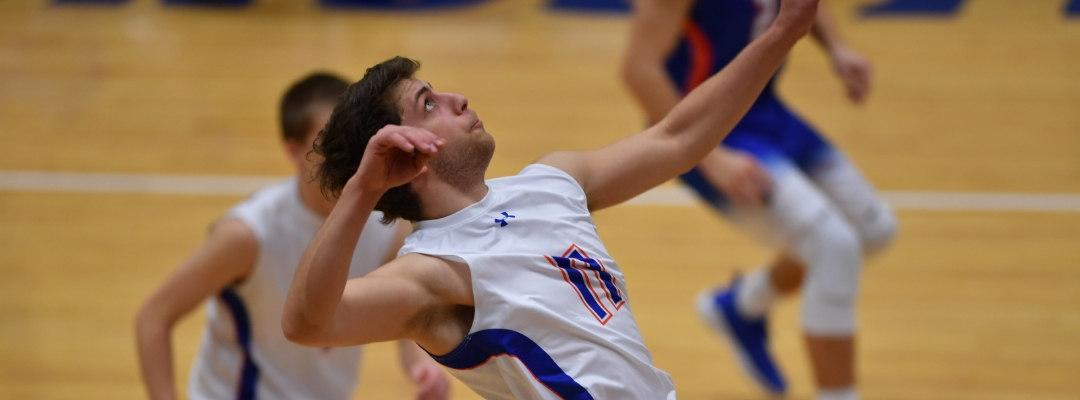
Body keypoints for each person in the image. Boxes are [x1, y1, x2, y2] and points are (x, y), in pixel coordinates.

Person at [280, 0, 819, 398]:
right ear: (407, 154)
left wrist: (781, 34)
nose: (458, 97)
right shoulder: (431, 273)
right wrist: (362, 191)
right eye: (429, 104)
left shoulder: (552, 180)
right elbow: (307, 324)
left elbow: (678, 137)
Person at [620, 1, 898, 399]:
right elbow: (637, 69)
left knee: (875, 230)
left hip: (763, 111)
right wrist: (709, 157)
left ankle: (742, 305)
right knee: (834, 246)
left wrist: (838, 47)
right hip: (701, 131)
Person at [134, 72, 451, 400]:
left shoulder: (386, 227)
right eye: (331, 144)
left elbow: (404, 306)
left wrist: (420, 365)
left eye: (354, 139)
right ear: (294, 151)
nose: (347, 157)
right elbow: (153, 319)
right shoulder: (247, 235)